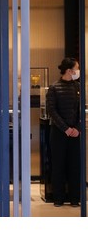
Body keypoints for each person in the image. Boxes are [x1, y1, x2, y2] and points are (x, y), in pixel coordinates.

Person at [46, 57, 80, 207]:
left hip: (75, 132)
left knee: (74, 165)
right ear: (69, 70)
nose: (78, 71)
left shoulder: (78, 87)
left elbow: (79, 110)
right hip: (59, 132)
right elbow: (51, 110)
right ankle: (58, 198)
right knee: (58, 165)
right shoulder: (54, 88)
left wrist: (77, 128)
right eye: (77, 68)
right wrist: (66, 128)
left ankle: (74, 198)